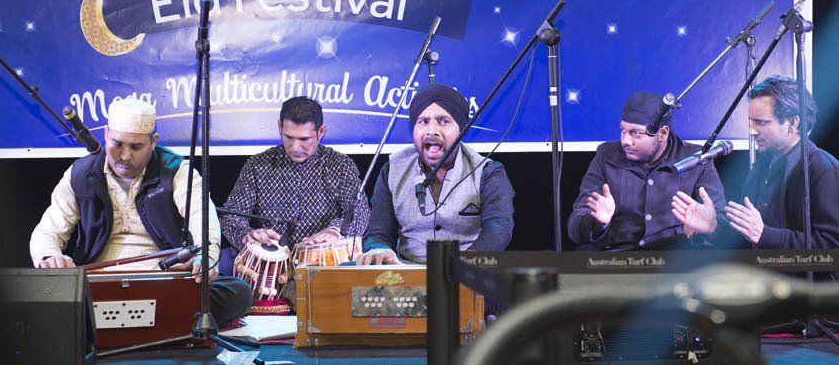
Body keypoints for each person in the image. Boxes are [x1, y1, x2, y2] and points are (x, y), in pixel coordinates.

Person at [30, 97, 251, 325]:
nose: (125, 156)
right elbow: (47, 232)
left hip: (163, 282)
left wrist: (206, 256)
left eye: (136, 147)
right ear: (106, 134)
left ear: (153, 141)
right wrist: (49, 256)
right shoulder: (80, 174)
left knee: (237, 292)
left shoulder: (176, 170)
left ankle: (105, 323)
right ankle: (166, 322)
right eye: (117, 144)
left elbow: (202, 217)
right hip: (97, 284)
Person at [675, 76, 839, 272]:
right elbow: (748, 241)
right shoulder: (762, 167)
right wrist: (714, 228)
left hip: (812, 297)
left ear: (793, 123)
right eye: (751, 122)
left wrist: (765, 234)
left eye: (761, 122)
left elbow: (838, 250)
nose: (752, 131)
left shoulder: (823, 169)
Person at [359, 84, 515, 265]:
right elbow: (377, 231)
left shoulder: (488, 172)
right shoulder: (392, 169)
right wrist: (378, 248)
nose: (432, 130)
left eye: (443, 121)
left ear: (461, 129)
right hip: (407, 276)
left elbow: (499, 228)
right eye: (423, 121)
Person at [568, 91, 727, 250]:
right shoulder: (605, 156)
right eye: (623, 130)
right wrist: (598, 223)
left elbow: (725, 232)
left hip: (675, 262)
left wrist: (712, 228)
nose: (625, 141)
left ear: (663, 133)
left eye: (636, 133)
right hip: (618, 259)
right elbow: (574, 229)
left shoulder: (697, 160)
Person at [220, 96, 369, 254]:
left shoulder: (340, 166)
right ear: (280, 127)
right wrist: (246, 235)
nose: (295, 147)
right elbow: (231, 216)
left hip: (322, 263)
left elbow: (360, 213)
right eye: (288, 137)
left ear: (321, 132)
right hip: (268, 262)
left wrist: (336, 230)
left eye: (304, 139)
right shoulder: (257, 165)